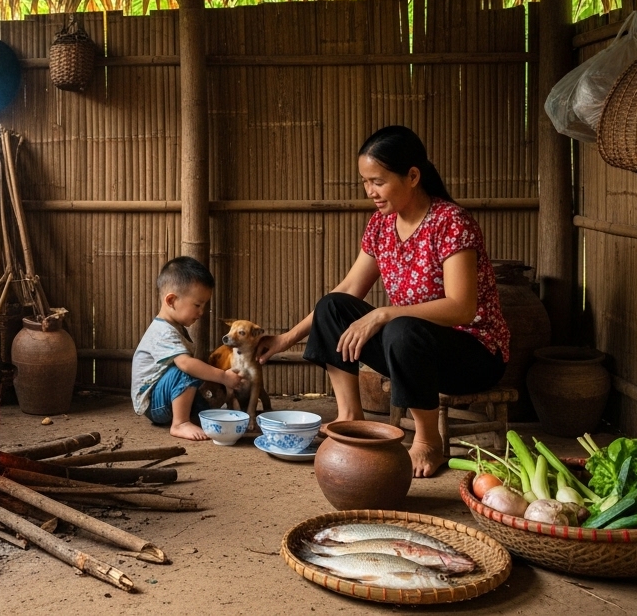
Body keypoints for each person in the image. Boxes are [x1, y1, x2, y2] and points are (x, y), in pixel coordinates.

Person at [255, 126, 510, 477]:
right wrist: (285, 339)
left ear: (413, 176)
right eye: (364, 181)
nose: (369, 191)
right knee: (333, 305)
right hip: (410, 352)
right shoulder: (381, 226)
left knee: (402, 328)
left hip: (472, 355)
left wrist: (385, 314)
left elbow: (461, 307)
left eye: (377, 180)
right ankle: (350, 418)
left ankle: (426, 440)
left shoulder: (451, 222)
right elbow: (347, 289)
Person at [131, 257, 245, 441]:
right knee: (187, 367)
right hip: (154, 404)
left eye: (204, 305)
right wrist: (223, 377)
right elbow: (185, 365)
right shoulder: (163, 332)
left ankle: (195, 414)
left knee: (208, 409)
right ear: (171, 300)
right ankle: (180, 423)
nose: (202, 312)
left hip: (166, 397)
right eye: (197, 305)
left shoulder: (175, 327)